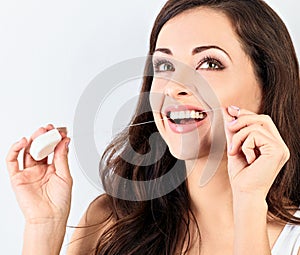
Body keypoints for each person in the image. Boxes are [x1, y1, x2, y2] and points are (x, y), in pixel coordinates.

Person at [6, 0, 300, 254]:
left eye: (209, 63)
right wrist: (43, 226)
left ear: (267, 85)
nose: (175, 87)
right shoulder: (109, 222)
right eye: (165, 66)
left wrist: (249, 203)